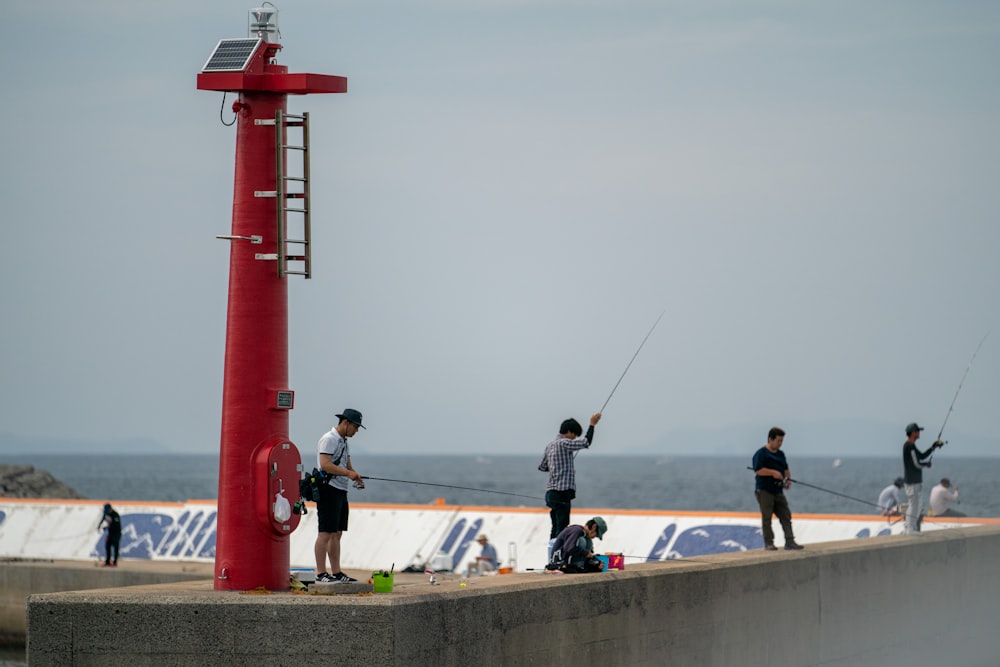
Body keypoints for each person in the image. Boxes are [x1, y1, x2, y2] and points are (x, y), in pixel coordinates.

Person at [313, 408, 366, 583]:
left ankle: (336, 573)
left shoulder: (344, 441)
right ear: (346, 423)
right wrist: (347, 473)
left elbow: (347, 464)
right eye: (356, 427)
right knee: (325, 533)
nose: (357, 431)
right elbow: (325, 464)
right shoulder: (329, 439)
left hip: (341, 490)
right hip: (328, 489)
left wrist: (355, 475)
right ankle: (321, 573)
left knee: (337, 533)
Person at [538, 412, 602, 542]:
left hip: (550, 493)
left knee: (555, 527)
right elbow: (586, 442)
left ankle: (552, 556)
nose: (573, 439)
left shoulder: (549, 445)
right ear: (568, 431)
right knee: (562, 528)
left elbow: (543, 467)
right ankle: (559, 558)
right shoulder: (564, 443)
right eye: (574, 435)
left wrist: (558, 467)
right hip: (562, 493)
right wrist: (592, 425)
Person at [752, 426, 804, 551]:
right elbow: (758, 470)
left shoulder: (781, 454)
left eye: (782, 441)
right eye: (778, 441)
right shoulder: (761, 454)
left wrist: (787, 480)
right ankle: (769, 543)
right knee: (767, 517)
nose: (780, 444)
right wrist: (773, 473)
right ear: (770, 439)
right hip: (764, 490)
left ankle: (790, 541)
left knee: (786, 515)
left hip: (778, 491)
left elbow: (785, 469)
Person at [901, 422, 944, 535]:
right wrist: (926, 465)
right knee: (913, 504)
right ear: (913, 433)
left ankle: (908, 528)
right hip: (912, 481)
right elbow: (916, 463)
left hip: (912, 481)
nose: (919, 433)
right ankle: (910, 529)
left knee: (915, 504)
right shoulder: (909, 446)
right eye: (918, 431)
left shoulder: (911, 446)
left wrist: (933, 446)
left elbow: (922, 455)